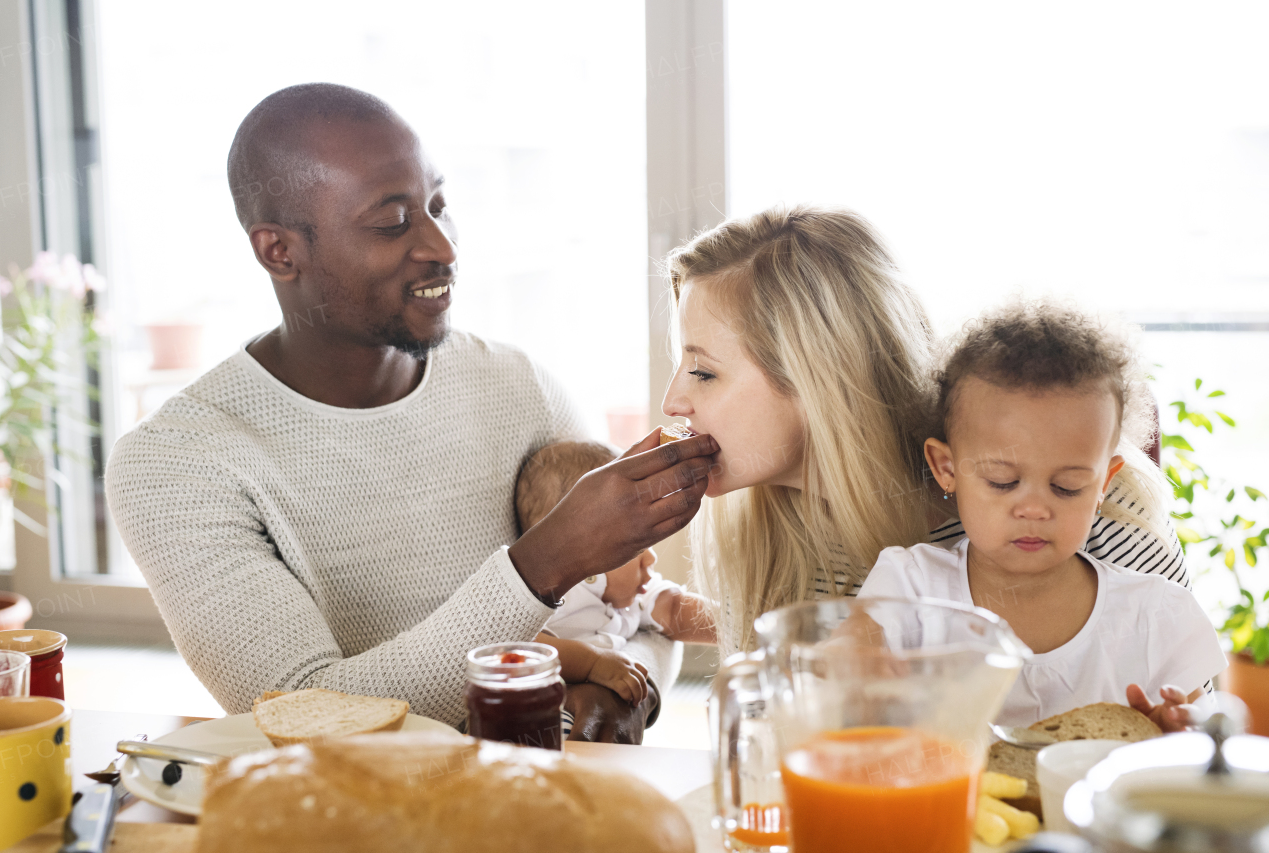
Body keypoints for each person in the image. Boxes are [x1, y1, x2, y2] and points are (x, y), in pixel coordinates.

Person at [104, 83, 718, 742]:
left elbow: (635, 613)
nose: (443, 247)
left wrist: (627, 690)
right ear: (279, 251)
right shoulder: (172, 464)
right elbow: (309, 715)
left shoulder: (522, 387)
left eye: (438, 206)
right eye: (394, 221)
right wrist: (542, 564)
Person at [661, 206, 1191, 661]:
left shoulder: (1083, 520)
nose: (673, 402)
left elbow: (1177, 738)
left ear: (819, 378)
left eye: (704, 372)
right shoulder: (772, 548)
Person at [856, 301, 1225, 729]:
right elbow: (845, 670)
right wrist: (858, 669)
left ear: (1105, 481)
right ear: (946, 468)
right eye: (1002, 481)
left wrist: (1174, 730)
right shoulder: (910, 589)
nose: (1033, 509)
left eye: (1067, 486)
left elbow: (1210, 744)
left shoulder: (1155, 615)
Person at [513, 440, 717, 731]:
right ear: (579, 548)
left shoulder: (630, 593)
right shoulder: (557, 595)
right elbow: (526, 647)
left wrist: (743, 623)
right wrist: (592, 664)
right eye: (636, 544)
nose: (651, 556)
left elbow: (674, 611)